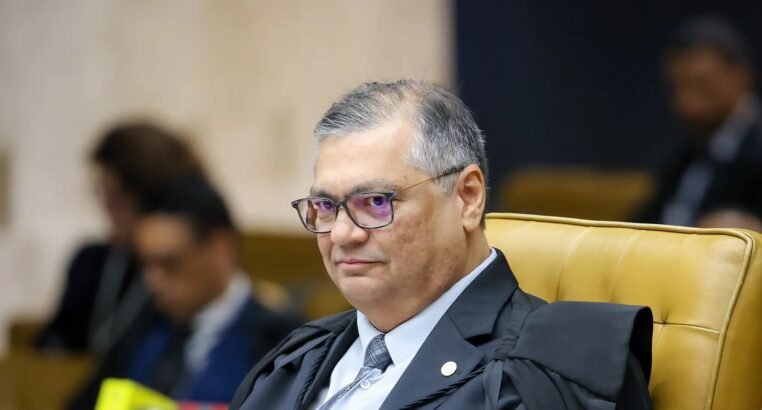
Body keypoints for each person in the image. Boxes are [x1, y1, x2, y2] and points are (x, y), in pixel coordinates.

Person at [230, 80, 653, 409]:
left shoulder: (547, 371)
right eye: (326, 206)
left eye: (376, 202)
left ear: (467, 198)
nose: (342, 234)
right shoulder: (295, 359)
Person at [69, 176, 299, 409]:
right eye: (145, 264)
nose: (152, 281)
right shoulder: (141, 328)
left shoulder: (282, 342)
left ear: (220, 249)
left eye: (170, 263)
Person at [37, 122, 206, 354]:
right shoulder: (91, 262)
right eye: (103, 194)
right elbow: (54, 340)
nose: (108, 212)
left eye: (116, 199)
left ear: (153, 199)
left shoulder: (183, 274)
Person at [636, 16, 762, 233]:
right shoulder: (687, 156)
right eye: (678, 87)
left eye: (703, 85)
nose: (688, 103)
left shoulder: (760, 150)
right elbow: (642, 223)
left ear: (742, 76)